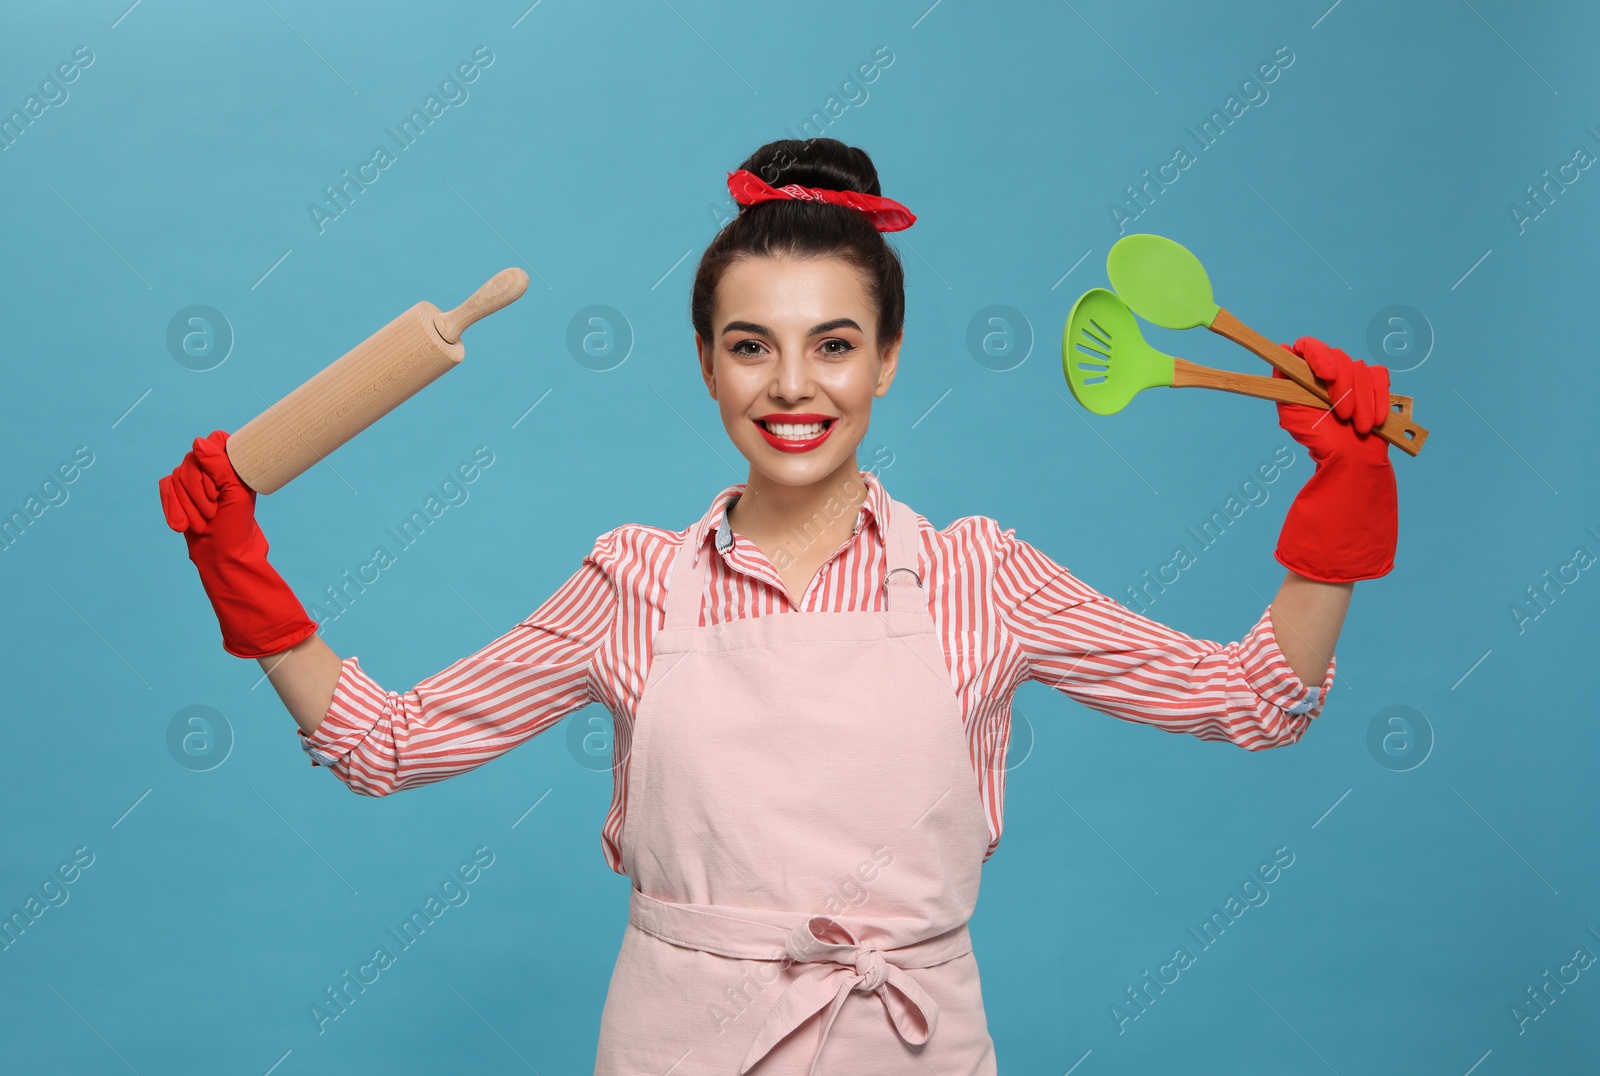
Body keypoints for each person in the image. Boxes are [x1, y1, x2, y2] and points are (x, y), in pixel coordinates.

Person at [157, 137, 1398, 1074]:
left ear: (888, 357)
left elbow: (1252, 700)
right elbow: (387, 745)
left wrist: (1344, 494)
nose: (793, 385)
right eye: (751, 345)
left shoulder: (981, 574)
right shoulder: (633, 579)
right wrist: (236, 562)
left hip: (910, 1043)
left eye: (835, 344)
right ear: (706, 362)